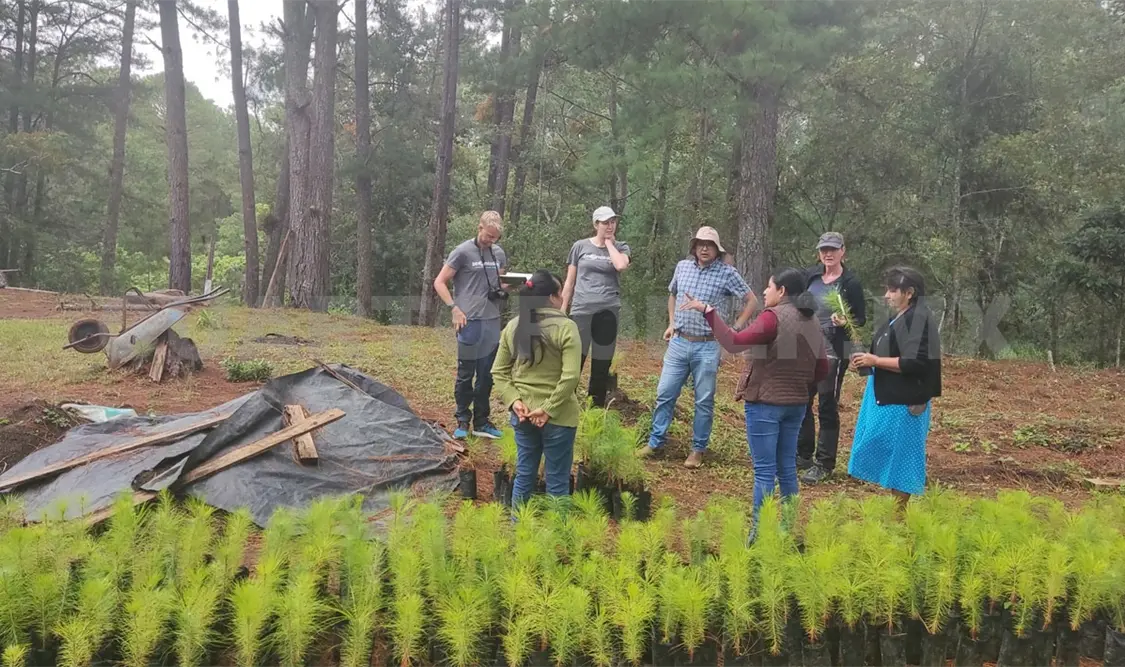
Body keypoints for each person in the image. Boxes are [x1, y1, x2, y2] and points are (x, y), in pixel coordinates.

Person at [681, 268, 829, 536]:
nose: (764, 291)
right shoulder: (812, 320)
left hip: (765, 405)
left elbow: (734, 342)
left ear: (781, 291)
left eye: (769, 286)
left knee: (764, 471)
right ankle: (787, 528)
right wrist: (801, 388)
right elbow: (822, 369)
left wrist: (707, 311)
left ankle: (759, 534)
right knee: (787, 468)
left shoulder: (772, 318)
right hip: (796, 404)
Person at [639, 226, 758, 469]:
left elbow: (751, 300)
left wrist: (734, 329)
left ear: (717, 249)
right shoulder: (683, 267)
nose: (704, 248)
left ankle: (697, 449)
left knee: (703, 399)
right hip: (679, 342)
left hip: (708, 345)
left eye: (710, 245)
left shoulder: (727, 273)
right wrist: (672, 323)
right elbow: (673, 294)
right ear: (694, 247)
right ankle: (655, 442)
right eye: (700, 244)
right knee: (665, 393)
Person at [847, 266, 942, 510]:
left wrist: (875, 361)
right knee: (885, 449)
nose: (887, 296)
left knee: (903, 459)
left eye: (892, 290)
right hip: (887, 396)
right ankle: (900, 506)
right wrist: (865, 360)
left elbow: (916, 362)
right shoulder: (899, 317)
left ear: (909, 293)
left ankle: (899, 513)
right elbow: (883, 350)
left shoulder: (919, 320)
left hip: (905, 402)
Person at [491, 269, 583, 506]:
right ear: (552, 297)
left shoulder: (514, 326)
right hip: (559, 417)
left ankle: (518, 531)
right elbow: (571, 376)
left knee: (524, 476)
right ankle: (559, 539)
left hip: (523, 415)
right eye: (560, 292)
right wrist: (549, 408)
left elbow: (498, 372)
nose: (563, 297)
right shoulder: (566, 327)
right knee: (558, 483)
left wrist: (515, 402)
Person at [433, 211, 510, 440]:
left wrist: (513, 285)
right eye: (488, 236)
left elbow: (501, 284)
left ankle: (482, 421)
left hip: (491, 319)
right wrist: (453, 308)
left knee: (487, 374)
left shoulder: (498, 253)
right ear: (479, 228)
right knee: (466, 373)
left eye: (495, 237)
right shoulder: (462, 252)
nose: (491, 241)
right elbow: (439, 282)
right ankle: (463, 420)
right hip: (469, 321)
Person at [798, 231, 866, 484]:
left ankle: (824, 462)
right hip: (806, 349)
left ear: (842, 252)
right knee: (802, 400)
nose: (828, 253)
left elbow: (860, 317)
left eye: (833, 249)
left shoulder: (850, 283)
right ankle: (802, 453)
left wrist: (845, 321)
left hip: (834, 352)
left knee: (827, 404)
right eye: (824, 249)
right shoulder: (810, 276)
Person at [561, 205, 631, 407]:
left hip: (608, 311)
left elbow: (620, 265)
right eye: (605, 222)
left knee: (602, 361)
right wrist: (562, 310)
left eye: (612, 222)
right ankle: (567, 402)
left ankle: (595, 406)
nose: (609, 226)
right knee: (575, 358)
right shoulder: (580, 246)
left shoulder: (622, 247)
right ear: (595, 224)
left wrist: (609, 243)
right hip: (581, 310)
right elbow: (569, 281)